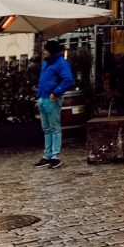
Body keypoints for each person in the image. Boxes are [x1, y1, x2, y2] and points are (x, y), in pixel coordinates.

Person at [34, 39, 74, 169]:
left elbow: (68, 80)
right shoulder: (47, 62)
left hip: (52, 98)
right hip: (44, 98)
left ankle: (55, 156)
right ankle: (48, 155)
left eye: (45, 50)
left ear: (51, 52)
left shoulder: (61, 63)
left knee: (54, 128)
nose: (43, 52)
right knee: (47, 129)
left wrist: (55, 93)